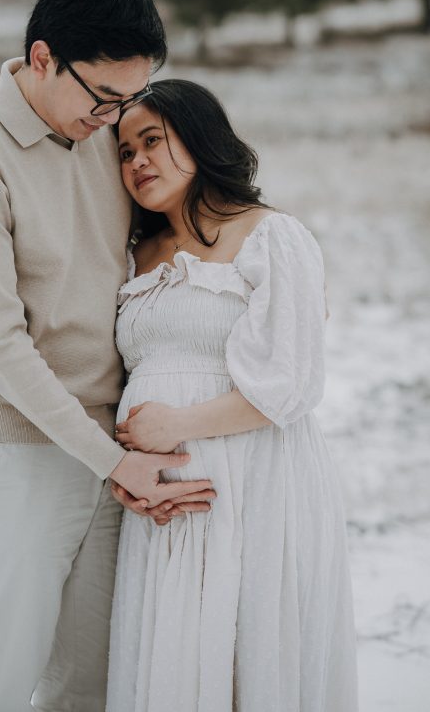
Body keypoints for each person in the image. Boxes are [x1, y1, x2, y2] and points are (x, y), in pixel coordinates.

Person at [0, 0, 215, 712]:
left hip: (107, 444)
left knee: (91, 679)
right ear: (43, 57)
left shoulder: (99, 133)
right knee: (3, 674)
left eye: (130, 99)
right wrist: (114, 460)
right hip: (15, 450)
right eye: (103, 96)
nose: (115, 118)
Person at [106, 79, 359, 712]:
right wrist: (123, 465)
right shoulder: (133, 256)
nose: (137, 161)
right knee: (174, 664)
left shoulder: (271, 236)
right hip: (161, 501)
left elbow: (292, 385)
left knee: (249, 658)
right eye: (125, 151)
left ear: (198, 136)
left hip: (255, 486)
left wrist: (177, 425)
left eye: (152, 141)